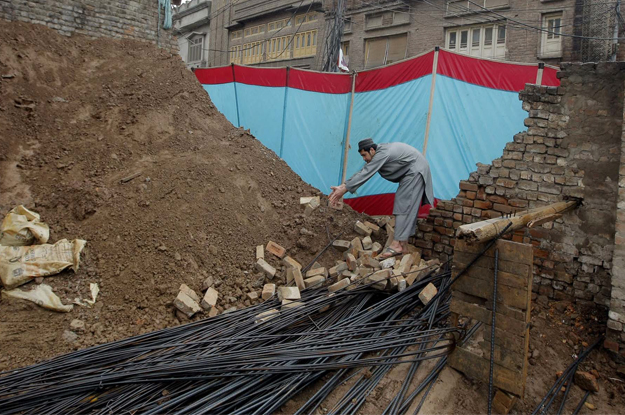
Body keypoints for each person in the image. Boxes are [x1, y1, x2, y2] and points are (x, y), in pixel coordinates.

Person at [329, 138, 433, 259]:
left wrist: (344, 189)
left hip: (415, 170)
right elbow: (363, 171)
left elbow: (366, 172)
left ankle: (396, 244)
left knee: (403, 203)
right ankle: (403, 245)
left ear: (372, 150)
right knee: (406, 204)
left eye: (364, 155)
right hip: (414, 170)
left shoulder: (382, 153)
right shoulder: (380, 152)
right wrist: (343, 186)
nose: (364, 158)